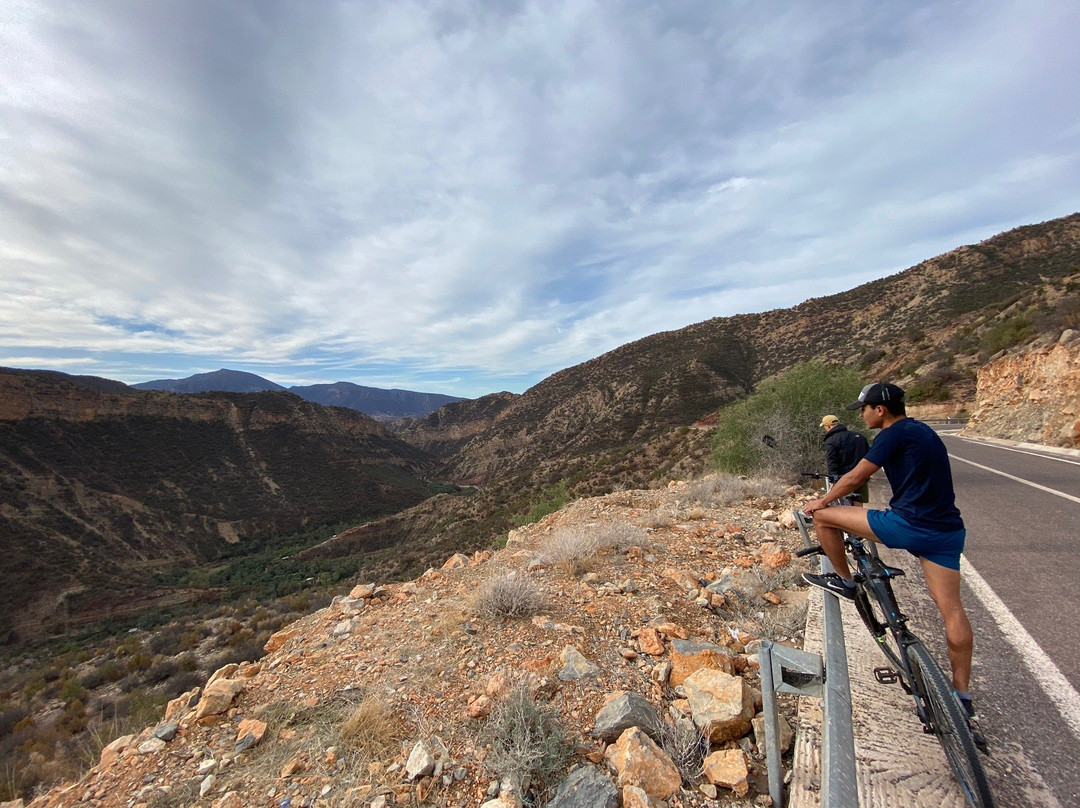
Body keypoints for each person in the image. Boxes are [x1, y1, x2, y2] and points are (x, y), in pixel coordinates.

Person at [801, 383, 986, 748]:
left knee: (824, 518)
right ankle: (961, 697)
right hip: (947, 532)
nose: (862, 415)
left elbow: (855, 477)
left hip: (908, 526)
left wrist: (819, 501)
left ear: (880, 410)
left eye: (864, 409)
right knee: (953, 611)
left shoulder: (892, 433)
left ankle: (844, 580)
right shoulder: (924, 431)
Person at [819, 414, 870, 506]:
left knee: (843, 506)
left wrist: (832, 481)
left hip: (844, 479)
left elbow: (832, 462)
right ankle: (858, 520)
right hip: (861, 477)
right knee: (858, 504)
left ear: (828, 426)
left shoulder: (831, 440)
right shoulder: (859, 436)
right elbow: (869, 455)